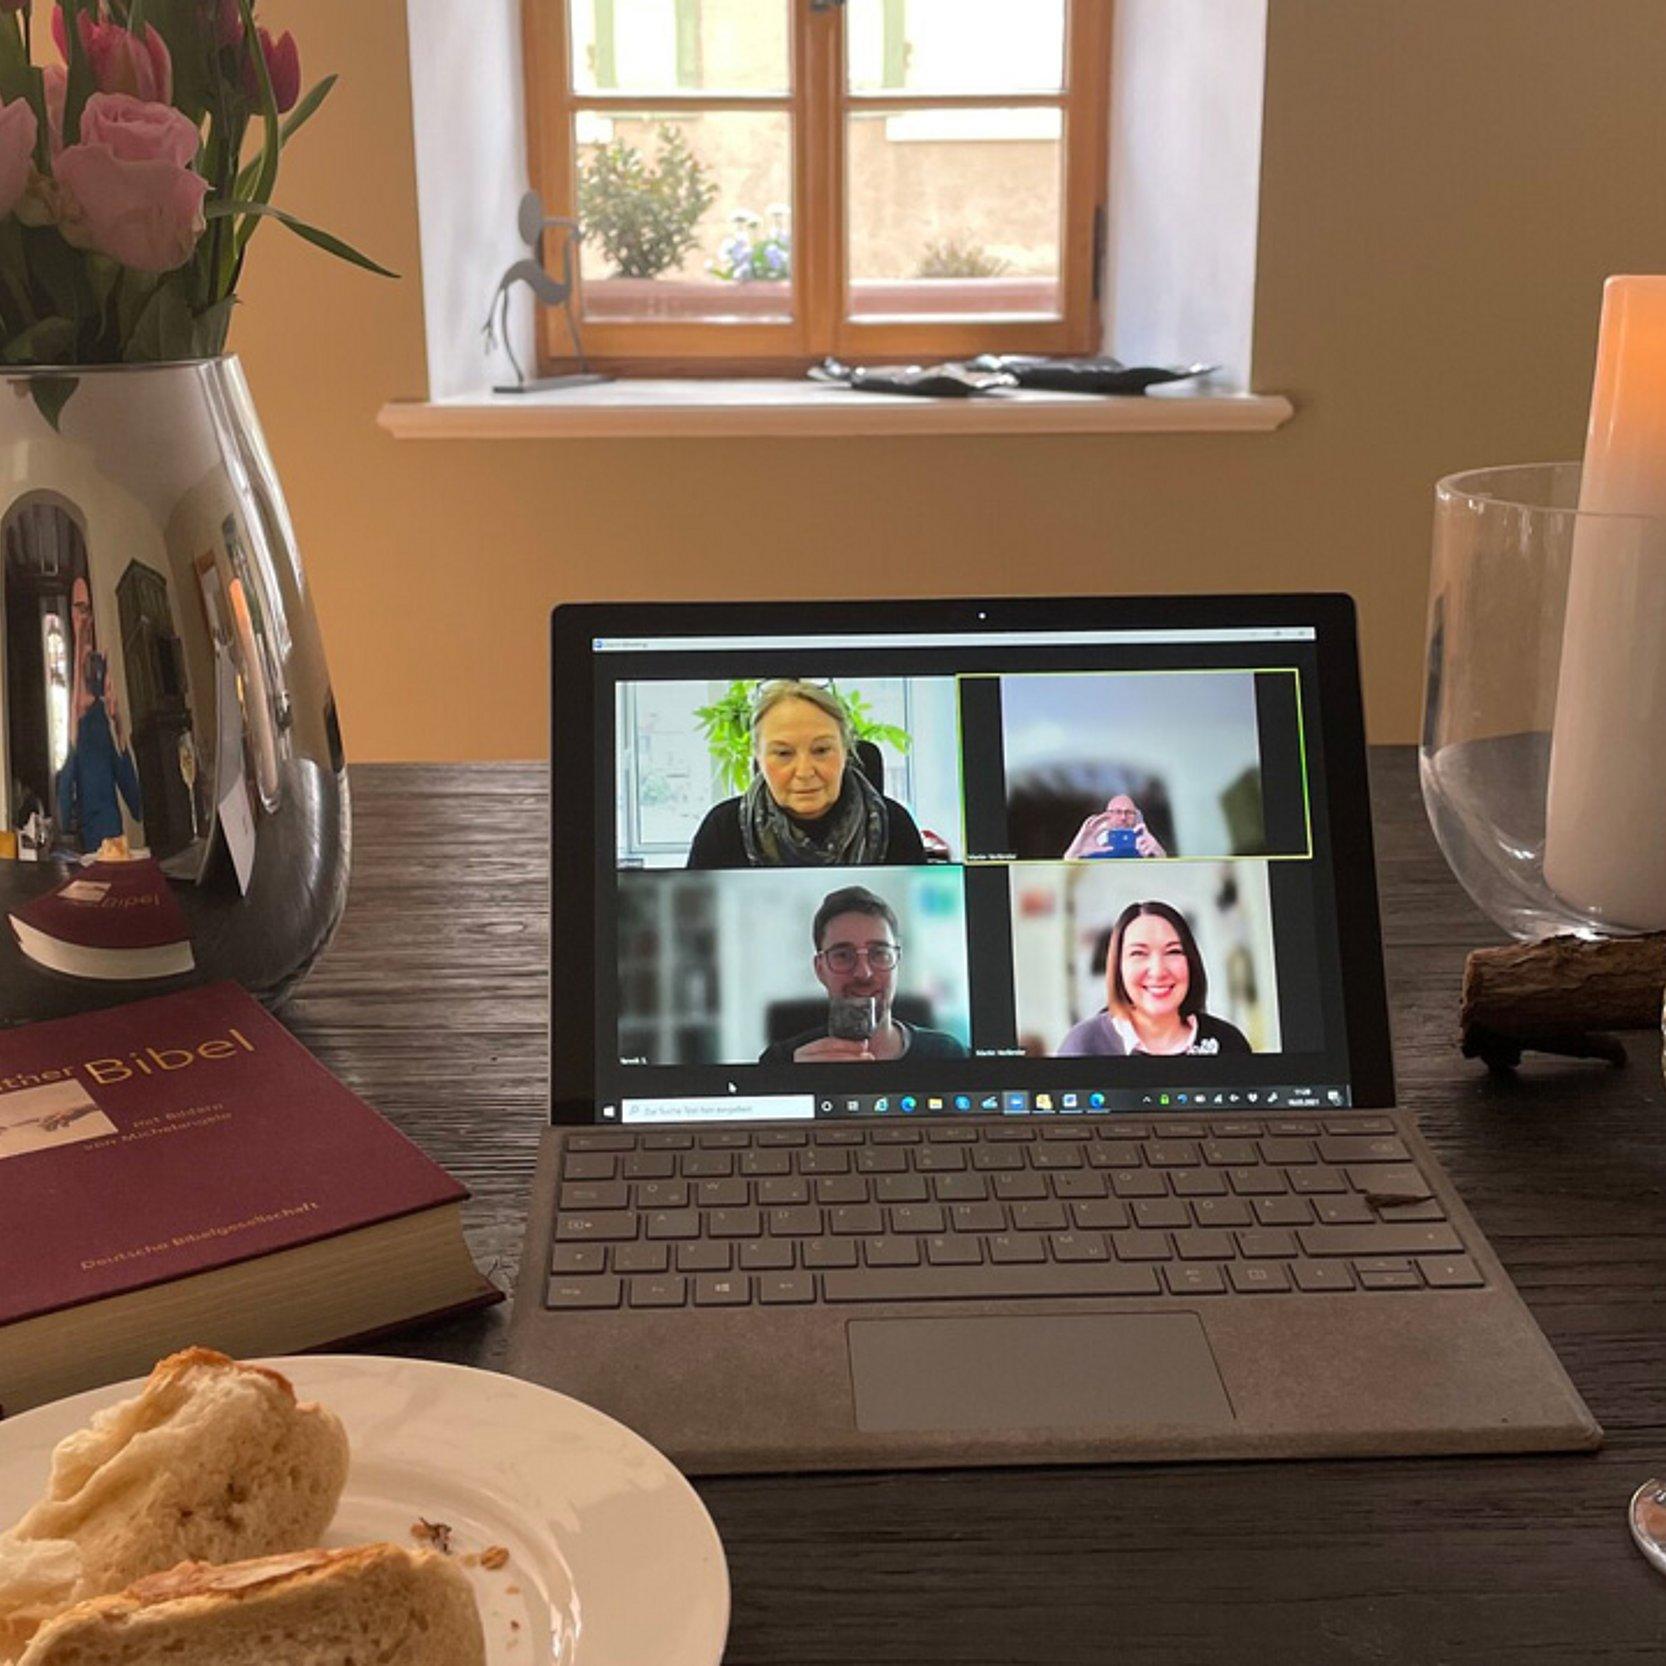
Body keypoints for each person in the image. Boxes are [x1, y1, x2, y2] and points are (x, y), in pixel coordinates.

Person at [687, 680, 925, 868]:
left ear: (845, 751)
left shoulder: (894, 825)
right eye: (783, 753)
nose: (804, 771)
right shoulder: (723, 831)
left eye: (821, 750)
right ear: (758, 757)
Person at [759, 885, 968, 1064]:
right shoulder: (782, 1061)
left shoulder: (947, 1055)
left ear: (897, 963)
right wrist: (793, 1083)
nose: (863, 973)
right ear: (820, 969)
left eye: (879, 953)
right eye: (843, 955)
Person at [1057, 900, 1251, 1056]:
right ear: (1118, 967)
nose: (1158, 971)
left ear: (1191, 961)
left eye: (1173, 951)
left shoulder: (1228, 1042)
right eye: (1139, 953)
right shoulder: (1083, 1045)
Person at [1063, 794, 1166, 860]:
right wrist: (1077, 848)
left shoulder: (1145, 841)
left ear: (1136, 816)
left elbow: (1164, 870)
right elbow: (1067, 865)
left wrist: (1158, 852)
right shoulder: (1094, 841)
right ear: (1107, 815)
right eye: (1117, 812)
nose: (1123, 817)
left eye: (1129, 812)